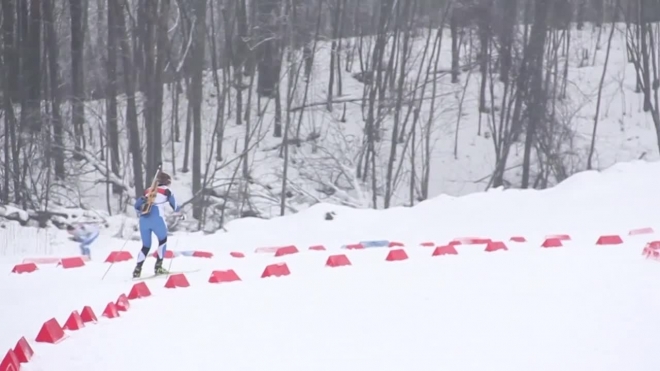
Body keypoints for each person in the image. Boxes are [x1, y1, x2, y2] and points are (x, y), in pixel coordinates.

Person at [132, 172, 185, 278]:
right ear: (167, 182)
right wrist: (181, 214)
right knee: (162, 241)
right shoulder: (167, 190)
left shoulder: (148, 190)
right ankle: (158, 267)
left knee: (146, 246)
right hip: (157, 219)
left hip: (144, 219)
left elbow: (137, 206)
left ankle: (137, 269)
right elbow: (174, 206)